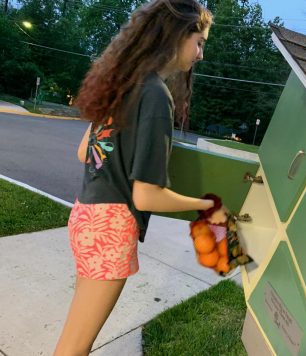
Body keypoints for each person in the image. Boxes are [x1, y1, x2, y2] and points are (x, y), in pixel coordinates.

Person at [54, 1, 214, 355]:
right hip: (111, 228)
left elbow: (85, 152)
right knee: (74, 348)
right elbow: (145, 196)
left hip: (85, 216)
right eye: (199, 42)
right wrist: (207, 203)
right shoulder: (156, 95)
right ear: (176, 35)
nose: (200, 54)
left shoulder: (124, 82)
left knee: (72, 339)